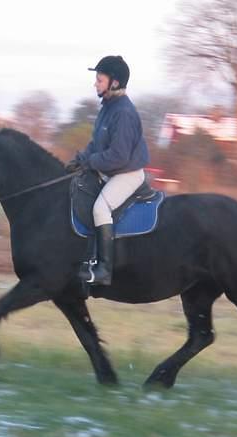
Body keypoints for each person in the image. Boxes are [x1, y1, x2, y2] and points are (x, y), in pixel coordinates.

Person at [66, 55, 150, 286]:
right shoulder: (108, 107)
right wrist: (79, 160)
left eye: (99, 79)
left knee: (100, 208)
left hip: (127, 173)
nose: (95, 83)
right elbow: (96, 144)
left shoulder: (123, 112)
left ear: (114, 83)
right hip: (113, 171)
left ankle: (104, 270)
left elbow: (118, 156)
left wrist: (90, 162)